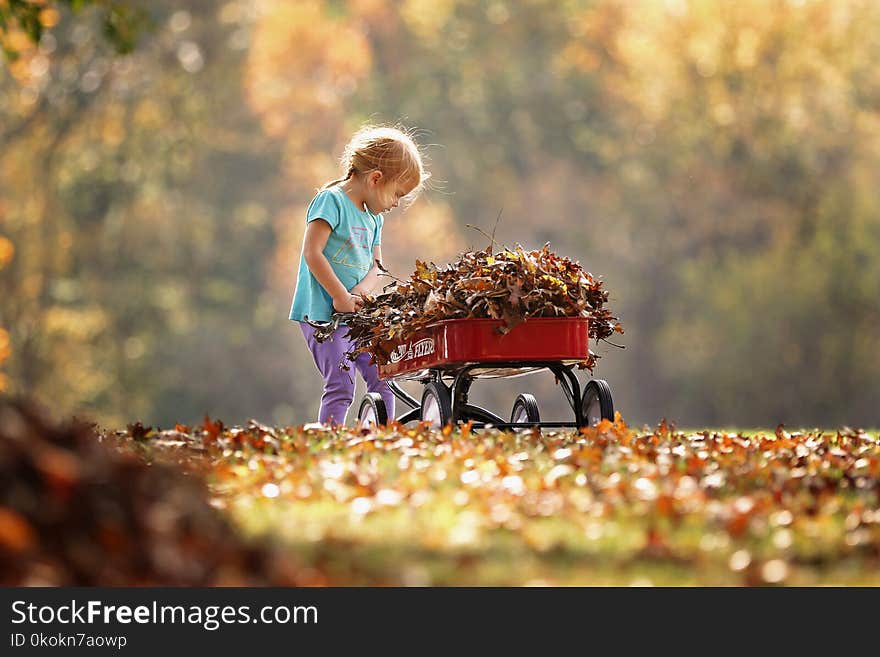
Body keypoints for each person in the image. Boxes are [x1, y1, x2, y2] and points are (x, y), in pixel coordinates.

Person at [290, 125, 428, 426]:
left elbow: (376, 266)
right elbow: (312, 253)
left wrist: (360, 296)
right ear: (376, 178)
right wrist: (340, 296)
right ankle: (331, 438)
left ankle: (383, 435)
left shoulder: (373, 218)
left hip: (355, 315)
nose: (396, 204)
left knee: (383, 374)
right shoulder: (331, 201)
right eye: (397, 195)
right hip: (321, 315)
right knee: (341, 383)